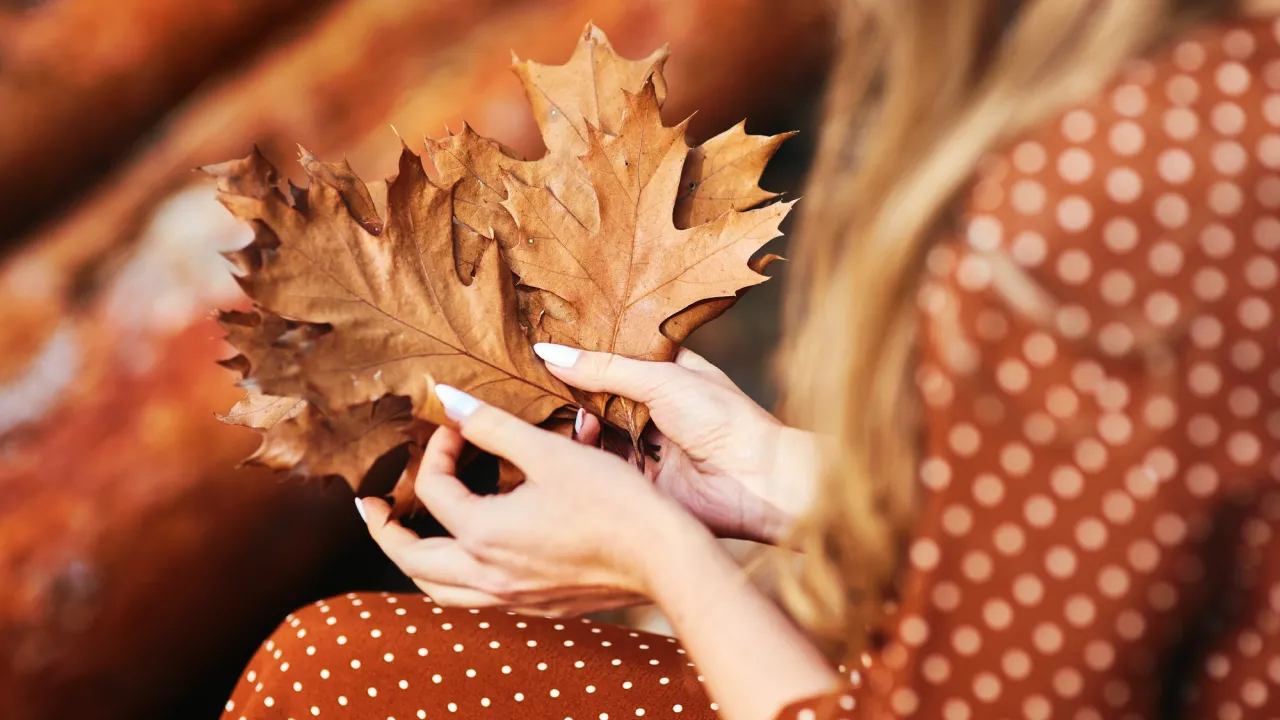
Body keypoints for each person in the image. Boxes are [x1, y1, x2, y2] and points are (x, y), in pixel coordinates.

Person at [221, 0, 1280, 717]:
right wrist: (783, 482)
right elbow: (1176, 518)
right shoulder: (1227, 106)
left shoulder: (1113, 207)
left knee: (326, 682)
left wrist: (663, 564)